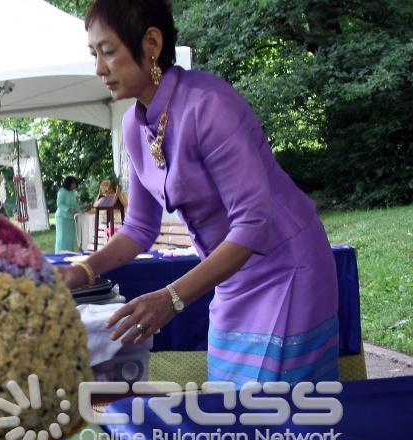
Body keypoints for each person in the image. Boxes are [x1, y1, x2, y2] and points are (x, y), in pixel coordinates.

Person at [60, 0, 339, 386]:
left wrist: (171, 298)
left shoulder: (208, 106)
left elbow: (252, 223)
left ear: (151, 43)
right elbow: (140, 226)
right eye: (94, 54)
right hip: (231, 277)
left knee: (276, 414)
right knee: (231, 406)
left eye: (108, 51)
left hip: (286, 268)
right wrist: (83, 271)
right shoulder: (134, 125)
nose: (98, 68)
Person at [55, 176, 83, 253]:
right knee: (62, 237)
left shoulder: (74, 193)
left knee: (70, 238)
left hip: (71, 218)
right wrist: (68, 209)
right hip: (62, 218)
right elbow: (59, 204)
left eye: (75, 184)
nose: (75, 186)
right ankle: (60, 253)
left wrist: (81, 210)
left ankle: (69, 253)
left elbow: (76, 205)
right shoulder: (62, 191)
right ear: (69, 183)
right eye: (73, 184)